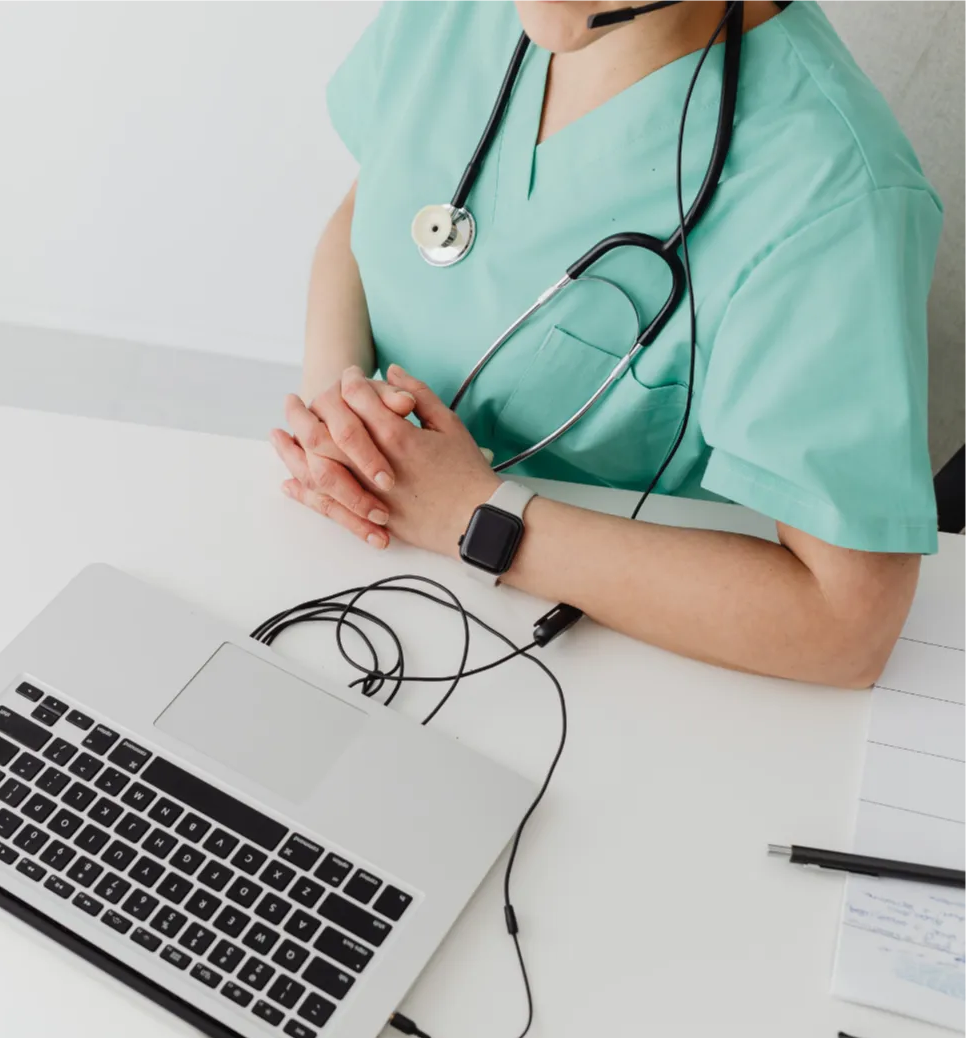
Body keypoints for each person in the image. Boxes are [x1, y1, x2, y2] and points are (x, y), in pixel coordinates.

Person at [270, 0, 943, 689]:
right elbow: (365, 210)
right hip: (358, 575)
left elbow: (846, 625)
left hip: (603, 658)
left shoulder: (832, 195)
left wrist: (476, 519)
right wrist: (340, 410)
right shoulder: (455, 15)